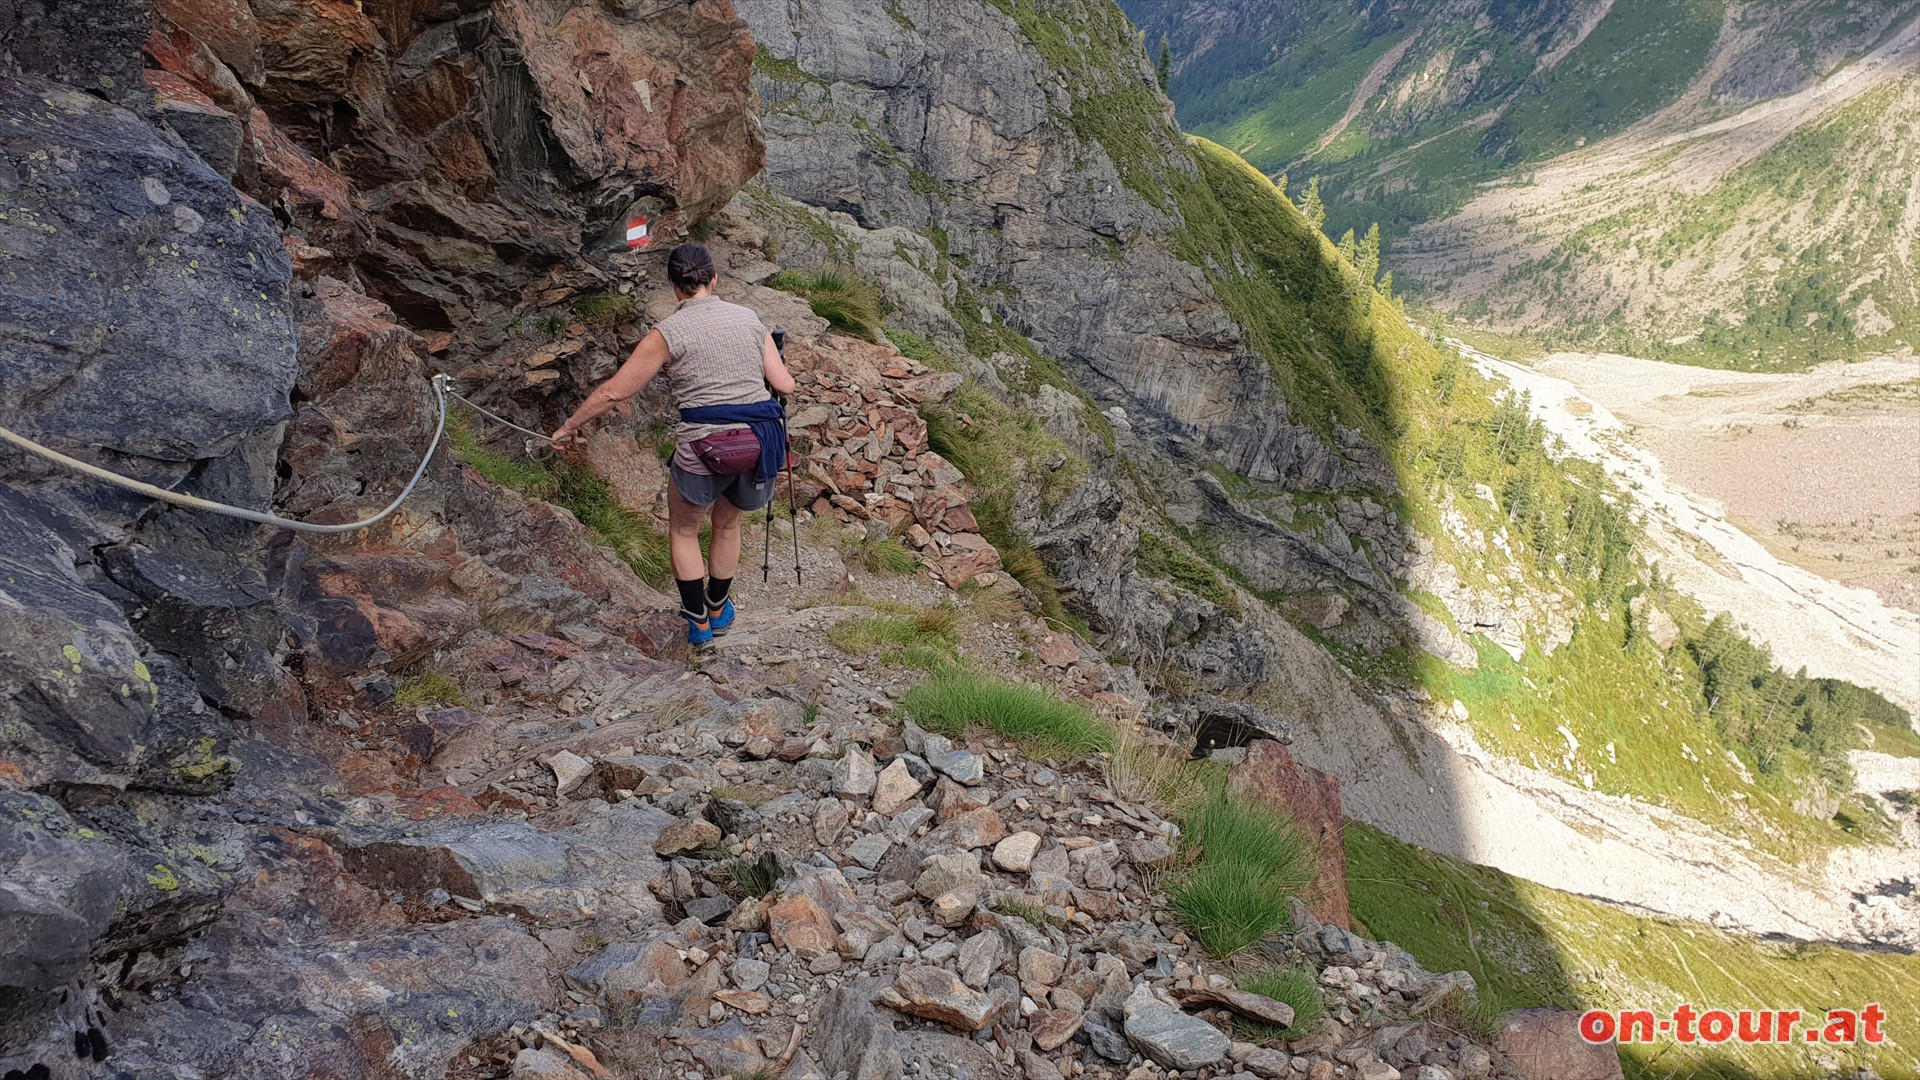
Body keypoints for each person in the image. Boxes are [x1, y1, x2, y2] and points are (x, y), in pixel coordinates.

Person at [551, 243, 796, 647]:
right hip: (755, 444)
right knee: (728, 524)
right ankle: (719, 608)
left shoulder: (667, 333)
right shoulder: (750, 319)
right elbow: (785, 384)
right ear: (713, 279)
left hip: (702, 445)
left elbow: (615, 393)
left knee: (684, 530)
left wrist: (570, 425)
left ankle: (697, 621)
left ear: (674, 286)